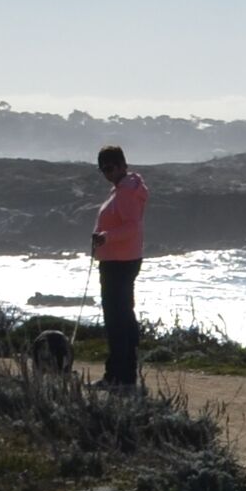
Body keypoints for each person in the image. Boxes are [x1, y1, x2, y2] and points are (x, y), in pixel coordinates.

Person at [89, 144, 148, 390]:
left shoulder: (125, 192)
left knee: (117, 320)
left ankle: (119, 377)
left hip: (119, 262)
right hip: (123, 259)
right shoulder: (124, 189)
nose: (108, 173)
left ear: (123, 165)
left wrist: (106, 237)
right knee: (123, 318)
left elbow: (132, 226)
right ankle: (123, 375)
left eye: (111, 168)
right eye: (103, 169)